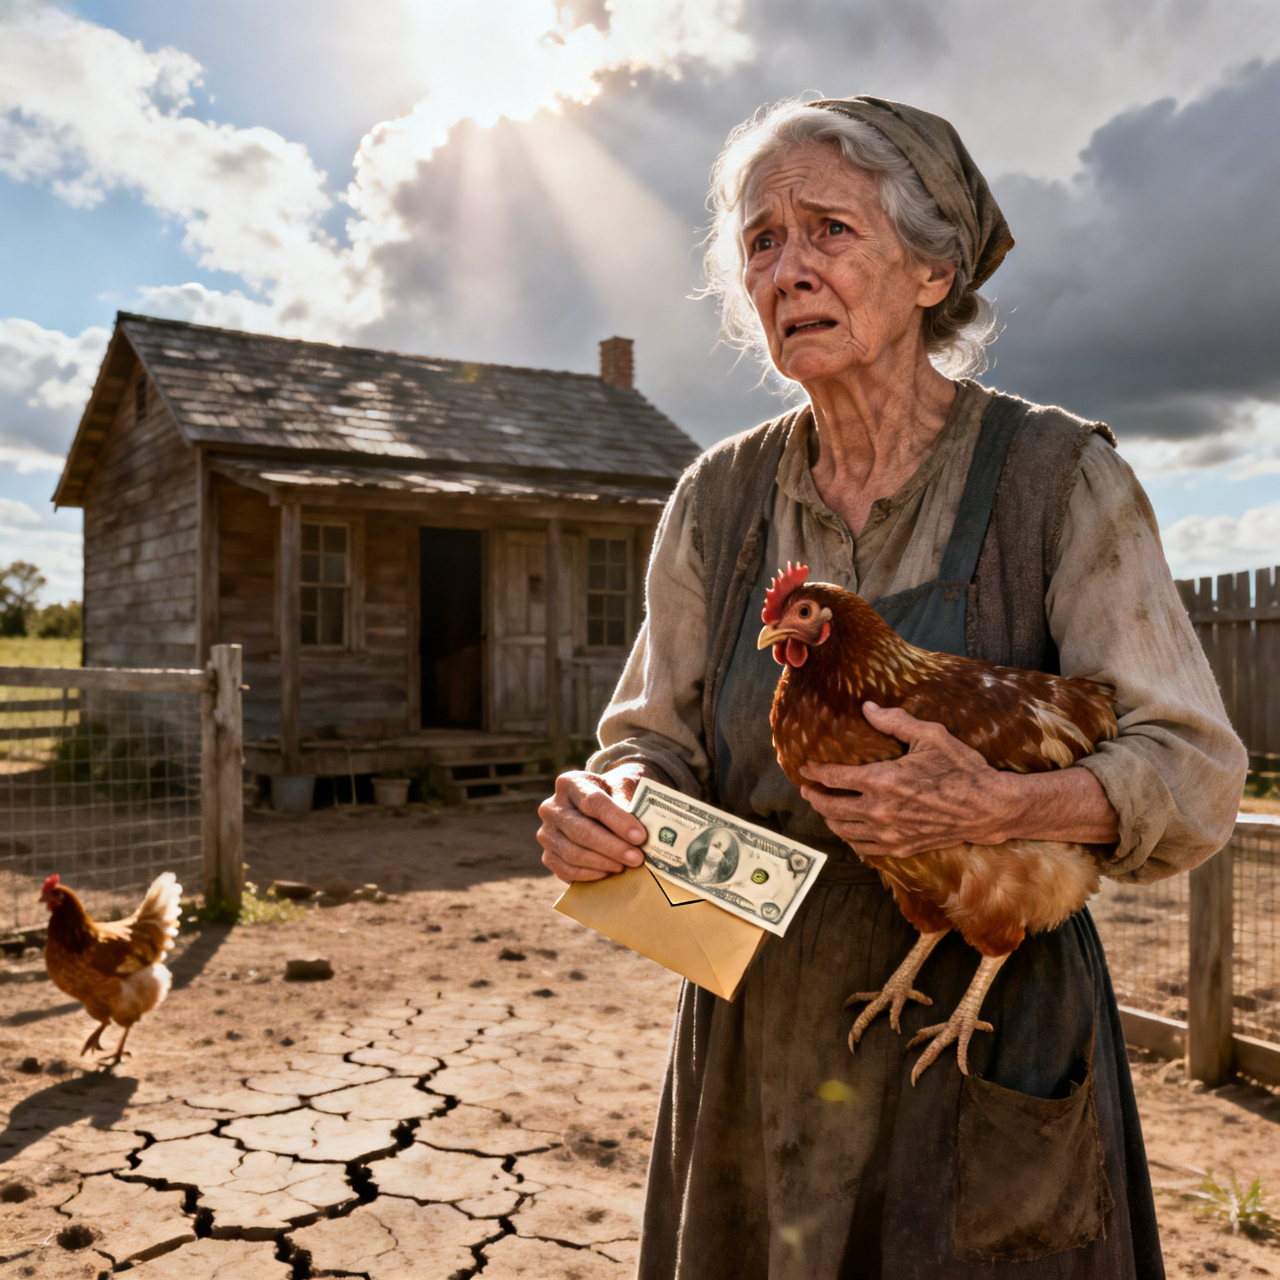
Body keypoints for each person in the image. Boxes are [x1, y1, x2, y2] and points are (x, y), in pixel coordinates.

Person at [536, 95, 1247, 1279]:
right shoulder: (713, 499)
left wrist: (1006, 806)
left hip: (985, 1034)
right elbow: (648, 740)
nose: (786, 267)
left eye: (827, 229)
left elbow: (1197, 771)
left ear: (930, 269)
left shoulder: (1056, 480)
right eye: (760, 242)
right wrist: (604, 800)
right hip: (759, 1045)